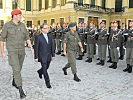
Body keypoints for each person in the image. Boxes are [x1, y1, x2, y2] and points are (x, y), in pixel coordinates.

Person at [0, 9, 34, 99]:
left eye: (20, 15)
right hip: (12, 51)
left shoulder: (22, 25)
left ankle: (14, 80)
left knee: (18, 68)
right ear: (14, 16)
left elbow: (27, 37)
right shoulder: (7, 26)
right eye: (19, 15)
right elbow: (2, 39)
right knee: (17, 69)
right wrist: (2, 52)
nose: (21, 17)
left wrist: (31, 47)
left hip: (21, 51)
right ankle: (20, 89)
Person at [34, 23, 55, 88]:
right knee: (45, 69)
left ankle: (40, 72)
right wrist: (36, 57)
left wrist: (53, 55)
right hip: (42, 55)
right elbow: (36, 47)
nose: (47, 29)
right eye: (45, 28)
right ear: (42, 29)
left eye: (48, 28)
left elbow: (52, 46)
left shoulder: (50, 36)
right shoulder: (38, 37)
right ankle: (47, 82)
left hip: (49, 55)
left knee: (46, 67)